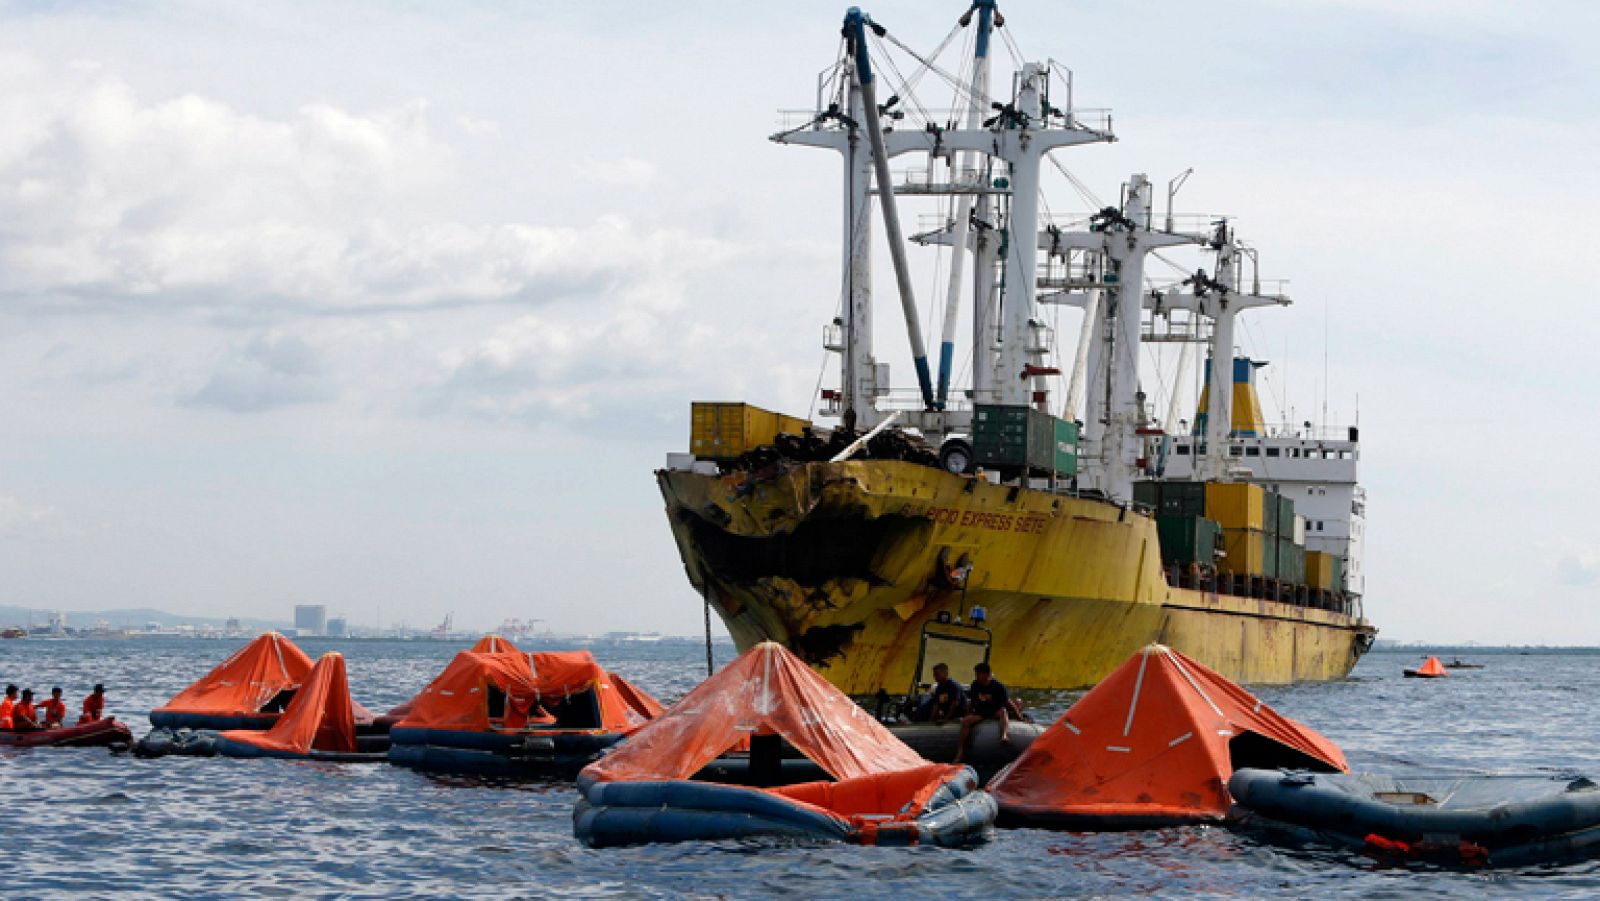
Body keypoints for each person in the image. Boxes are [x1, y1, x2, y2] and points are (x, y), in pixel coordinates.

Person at [953, 662, 1009, 764]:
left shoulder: (998, 687)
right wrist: (967, 714)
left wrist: (1020, 716)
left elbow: (1007, 703)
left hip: (994, 711)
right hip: (981, 712)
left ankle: (1004, 735)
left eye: (978, 674)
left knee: (1003, 711)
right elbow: (972, 702)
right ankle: (961, 752)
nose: (976, 677)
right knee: (966, 721)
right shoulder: (975, 685)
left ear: (986, 674)